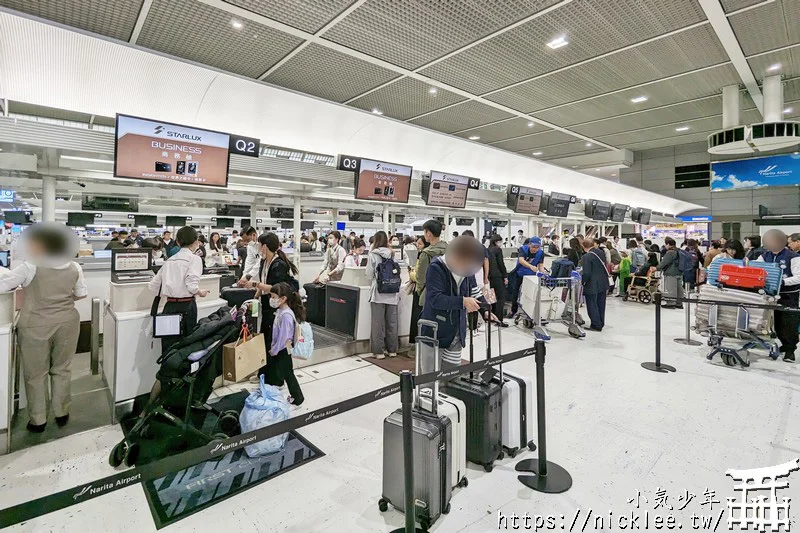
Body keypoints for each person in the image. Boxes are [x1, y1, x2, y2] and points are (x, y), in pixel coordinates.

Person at [0, 224, 87, 432]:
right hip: (67, 321)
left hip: (35, 324)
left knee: (35, 373)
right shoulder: (75, 266)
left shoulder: (30, 266)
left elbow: (4, 286)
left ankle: (38, 420)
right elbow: (81, 294)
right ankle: (61, 413)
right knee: (62, 368)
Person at [420, 236, 492, 372]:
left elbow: (474, 290)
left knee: (451, 375)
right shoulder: (436, 268)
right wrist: (463, 301)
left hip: (457, 331)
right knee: (429, 378)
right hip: (434, 331)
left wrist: (485, 310)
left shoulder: (467, 269)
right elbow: (435, 299)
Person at [148, 226, 210, 356]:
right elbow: (191, 285)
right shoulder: (195, 259)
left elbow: (153, 286)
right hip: (187, 307)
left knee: (168, 345)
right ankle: (181, 375)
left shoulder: (169, 261)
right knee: (185, 346)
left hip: (169, 307)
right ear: (196, 241)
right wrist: (200, 292)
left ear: (177, 242)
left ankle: (166, 373)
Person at [756, 229, 800, 362]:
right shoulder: (764, 256)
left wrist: (782, 282)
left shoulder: (793, 257)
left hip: (789, 296)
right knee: (776, 323)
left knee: (789, 323)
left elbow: (798, 277)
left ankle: (790, 350)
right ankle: (784, 344)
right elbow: (756, 270)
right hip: (769, 296)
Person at [264, 282, 305, 405]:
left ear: (283, 299)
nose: (271, 300)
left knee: (288, 374)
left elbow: (284, 337)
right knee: (284, 373)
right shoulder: (281, 311)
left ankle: (298, 398)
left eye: (273, 297)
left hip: (282, 350)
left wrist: (274, 349)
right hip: (279, 349)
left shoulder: (286, 315)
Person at [365, 231, 400, 359]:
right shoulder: (393, 254)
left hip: (378, 292)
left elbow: (369, 274)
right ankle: (392, 350)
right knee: (392, 322)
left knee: (377, 323)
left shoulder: (373, 255)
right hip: (393, 293)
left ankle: (379, 352)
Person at [509, 236, 545, 316]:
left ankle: (529, 311)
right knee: (516, 292)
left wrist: (543, 273)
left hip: (531, 276)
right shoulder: (523, 249)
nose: (535, 249)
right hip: (520, 273)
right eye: (533, 247)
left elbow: (540, 265)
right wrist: (530, 266)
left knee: (529, 294)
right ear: (529, 244)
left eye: (537, 247)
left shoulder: (541, 253)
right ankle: (513, 310)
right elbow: (521, 260)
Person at [580, 238, 610, 331]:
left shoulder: (586, 257)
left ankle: (595, 325)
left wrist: (583, 281)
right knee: (601, 303)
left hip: (592, 284)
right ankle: (601, 322)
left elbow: (587, 273)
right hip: (603, 282)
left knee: (592, 304)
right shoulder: (601, 253)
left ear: (583, 246)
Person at [416, 219, 447, 308]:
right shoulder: (449, 250)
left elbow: (421, 276)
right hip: (448, 294)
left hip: (429, 294)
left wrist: (420, 291)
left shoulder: (426, 253)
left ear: (428, 233)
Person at [408, 236, 429, 346]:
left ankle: (417, 344)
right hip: (426, 291)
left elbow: (419, 276)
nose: (417, 245)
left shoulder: (423, 255)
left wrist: (411, 274)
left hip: (420, 290)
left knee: (417, 317)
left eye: (420, 244)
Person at [487, 233, 509, 327]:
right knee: (501, 298)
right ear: (496, 242)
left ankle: (492, 318)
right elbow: (501, 264)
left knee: (492, 298)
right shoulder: (497, 250)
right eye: (500, 241)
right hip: (497, 276)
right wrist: (505, 276)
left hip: (489, 277)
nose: (501, 243)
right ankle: (499, 320)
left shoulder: (487, 250)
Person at [657, 237, 683, 309]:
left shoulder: (670, 252)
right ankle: (679, 303)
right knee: (679, 288)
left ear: (668, 244)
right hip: (679, 272)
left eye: (666, 245)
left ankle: (671, 303)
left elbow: (664, 263)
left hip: (671, 273)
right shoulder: (678, 251)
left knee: (671, 289)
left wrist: (656, 268)